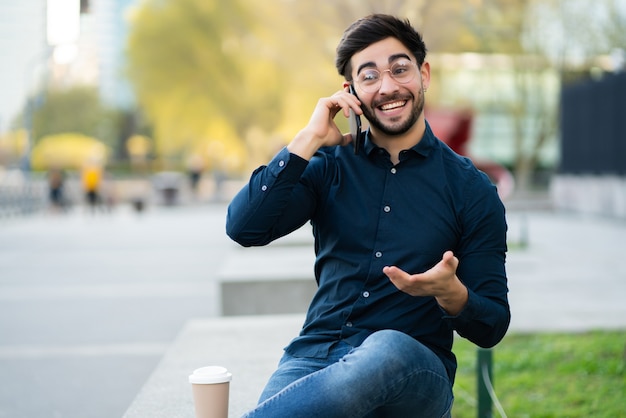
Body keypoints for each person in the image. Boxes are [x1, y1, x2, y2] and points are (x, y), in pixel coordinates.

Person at [226, 14, 510, 418]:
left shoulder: (471, 189)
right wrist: (305, 141)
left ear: (423, 74)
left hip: (414, 370)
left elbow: (492, 325)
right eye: (370, 75)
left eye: (400, 69)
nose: (389, 86)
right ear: (351, 92)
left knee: (386, 346)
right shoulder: (327, 164)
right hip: (315, 358)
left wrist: (451, 293)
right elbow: (244, 228)